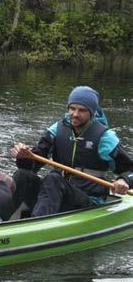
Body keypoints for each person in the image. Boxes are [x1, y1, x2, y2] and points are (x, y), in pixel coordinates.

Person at [11, 85, 133, 217]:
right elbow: (31, 167)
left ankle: (36, 225)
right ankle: (0, 220)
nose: (75, 114)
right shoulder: (56, 130)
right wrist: (23, 157)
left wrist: (125, 180)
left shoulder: (105, 138)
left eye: (81, 110)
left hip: (87, 198)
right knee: (22, 175)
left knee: (53, 179)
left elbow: (130, 169)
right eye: (72, 108)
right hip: (54, 192)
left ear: (91, 112)